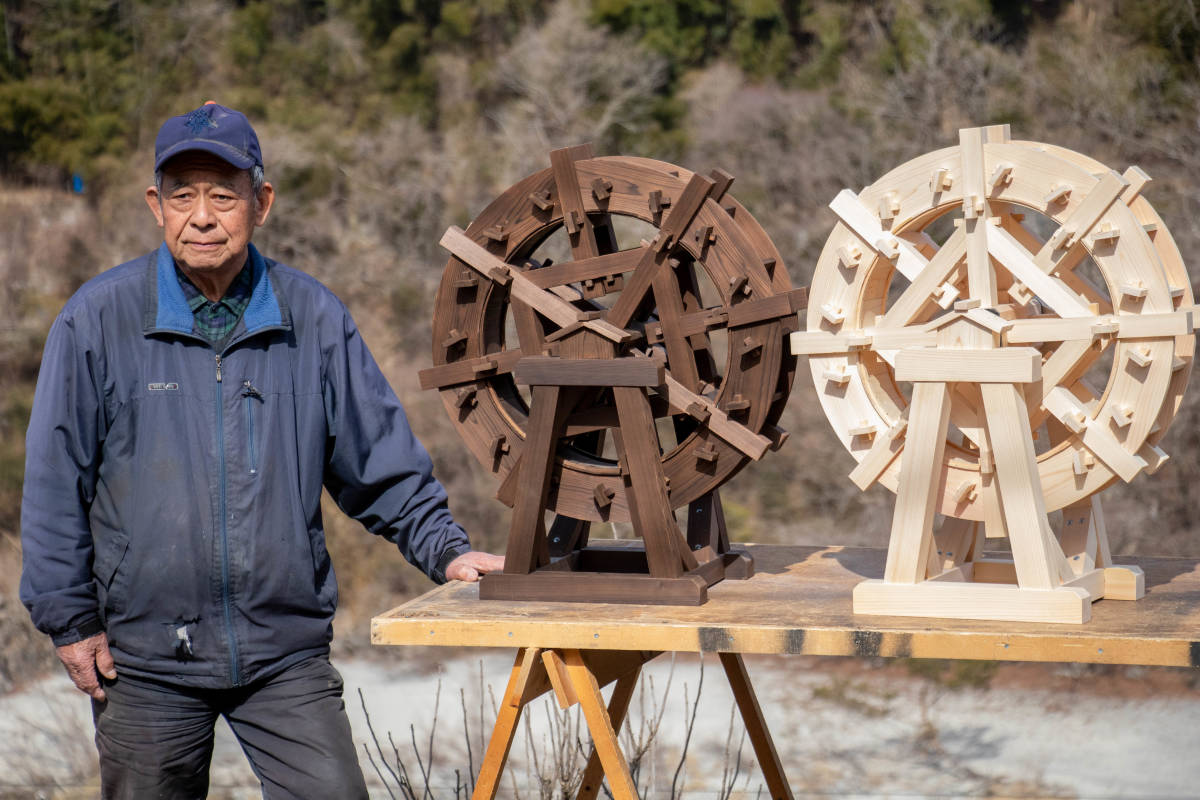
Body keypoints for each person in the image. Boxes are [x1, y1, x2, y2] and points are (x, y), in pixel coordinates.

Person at [19, 101, 503, 798]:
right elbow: (54, 480)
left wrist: (446, 549)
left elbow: (378, 461)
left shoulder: (313, 317)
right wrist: (70, 620)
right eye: (182, 195)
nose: (203, 215)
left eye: (224, 194)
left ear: (262, 202)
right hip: (144, 659)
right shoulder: (97, 319)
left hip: (285, 655)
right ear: (156, 206)